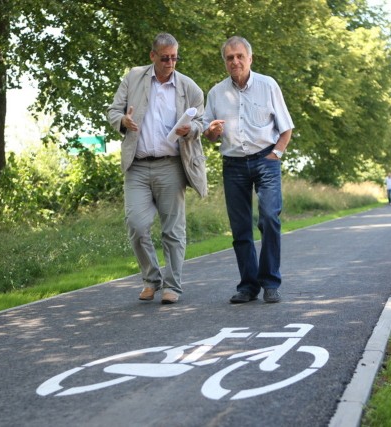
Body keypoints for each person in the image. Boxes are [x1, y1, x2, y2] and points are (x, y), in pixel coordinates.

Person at [107, 33, 205, 304]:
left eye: (174, 57)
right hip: (136, 166)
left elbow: (203, 122)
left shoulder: (189, 87)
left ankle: (172, 285)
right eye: (165, 58)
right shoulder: (134, 77)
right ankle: (151, 278)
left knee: (173, 229)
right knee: (136, 225)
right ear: (153, 56)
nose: (170, 63)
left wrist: (191, 129)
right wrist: (123, 122)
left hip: (171, 165)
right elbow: (113, 111)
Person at [203, 36, 293, 304]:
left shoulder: (268, 85)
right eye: (230, 58)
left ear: (250, 58)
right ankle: (248, 286)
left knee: (269, 218)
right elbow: (208, 134)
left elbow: (286, 127)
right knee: (240, 228)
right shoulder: (216, 93)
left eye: (240, 56)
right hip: (233, 165)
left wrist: (275, 154)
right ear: (225, 62)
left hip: (266, 160)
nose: (235, 61)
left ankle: (271, 283)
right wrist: (212, 132)